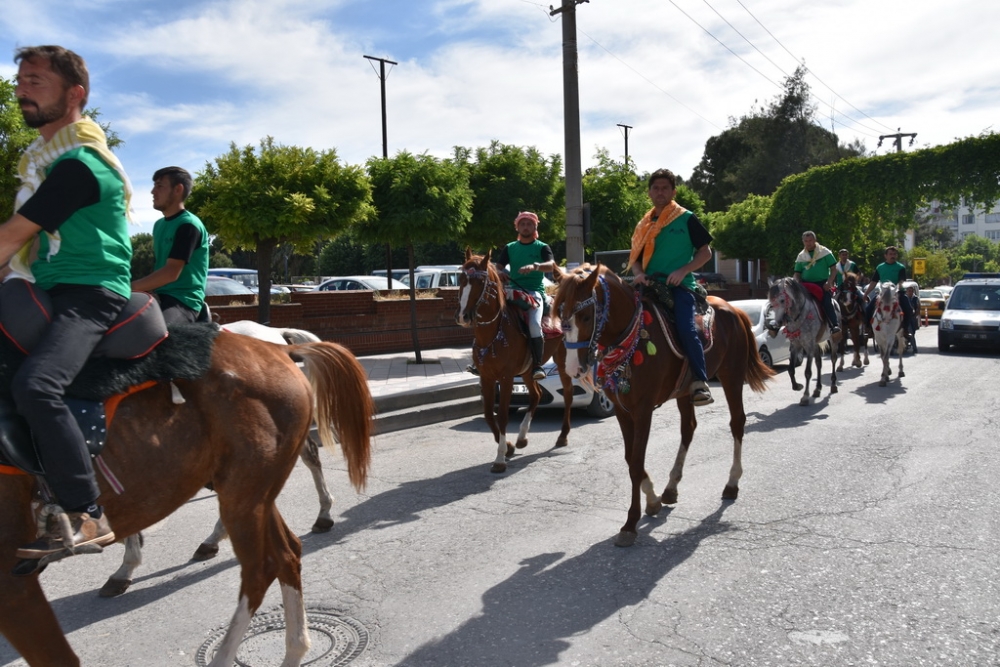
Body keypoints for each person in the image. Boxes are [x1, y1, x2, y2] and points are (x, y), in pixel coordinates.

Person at [1, 46, 134, 560]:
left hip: (92, 291)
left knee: (36, 385)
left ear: (75, 94)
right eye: (19, 80)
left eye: (35, 80)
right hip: (48, 285)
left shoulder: (81, 165)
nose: (20, 89)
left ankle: (87, 513)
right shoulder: (43, 164)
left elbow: (12, 236)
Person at [627, 168, 714, 406]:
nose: (660, 192)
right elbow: (634, 258)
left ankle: (699, 381)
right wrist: (639, 274)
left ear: (673, 191)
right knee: (618, 322)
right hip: (648, 286)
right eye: (656, 188)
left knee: (688, 330)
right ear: (649, 193)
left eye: (665, 188)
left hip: (680, 286)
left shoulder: (686, 218)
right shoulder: (643, 223)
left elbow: (706, 252)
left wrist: (683, 270)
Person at [131, 167, 209, 325]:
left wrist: (129, 287)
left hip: (183, 302)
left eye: (159, 186)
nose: (153, 192)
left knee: (154, 336)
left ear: (178, 189)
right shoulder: (159, 225)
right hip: (160, 296)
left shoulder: (188, 225)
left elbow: (171, 273)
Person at [492, 211, 555, 380]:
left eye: (529, 224)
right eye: (522, 224)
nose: (525, 227)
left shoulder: (542, 247)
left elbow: (551, 266)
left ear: (535, 227)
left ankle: (537, 365)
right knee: (488, 314)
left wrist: (534, 266)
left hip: (534, 293)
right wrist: (500, 272)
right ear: (517, 227)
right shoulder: (510, 247)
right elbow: (497, 266)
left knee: (535, 324)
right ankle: (483, 359)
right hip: (511, 290)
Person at [793, 231, 840, 334]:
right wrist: (796, 283)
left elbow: (834, 269)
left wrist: (829, 282)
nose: (808, 243)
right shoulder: (801, 256)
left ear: (815, 240)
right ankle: (791, 327)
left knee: (827, 302)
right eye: (806, 241)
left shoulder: (825, 252)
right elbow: (797, 273)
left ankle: (834, 325)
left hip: (822, 284)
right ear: (803, 242)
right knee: (794, 303)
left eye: (810, 240)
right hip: (805, 285)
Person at [863, 246, 913, 327]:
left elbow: (901, 281)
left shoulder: (901, 267)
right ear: (885, 256)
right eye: (890, 254)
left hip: (897, 292)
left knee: (908, 309)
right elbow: (873, 282)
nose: (892, 256)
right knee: (868, 309)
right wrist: (866, 294)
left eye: (894, 254)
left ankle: (906, 329)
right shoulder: (880, 267)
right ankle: (868, 329)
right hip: (883, 293)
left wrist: (895, 288)